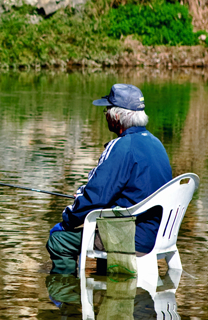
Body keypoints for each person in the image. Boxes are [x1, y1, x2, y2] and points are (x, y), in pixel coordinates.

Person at [47, 83, 172, 275]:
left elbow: (95, 198)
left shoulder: (121, 147)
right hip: (159, 237)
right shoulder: (156, 143)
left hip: (131, 239)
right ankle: (104, 283)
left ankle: (68, 297)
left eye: (106, 109)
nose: (105, 114)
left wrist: (67, 220)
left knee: (59, 239)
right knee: (103, 227)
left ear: (115, 116)